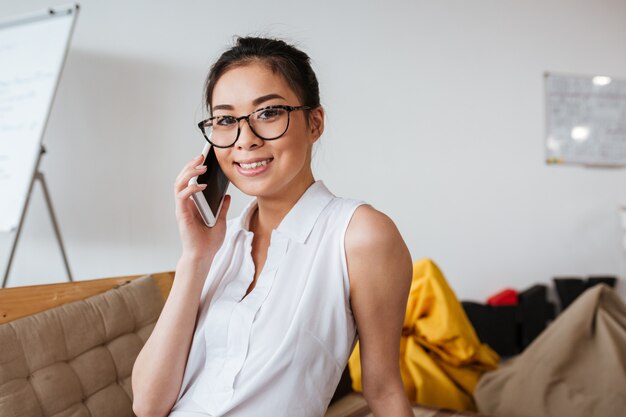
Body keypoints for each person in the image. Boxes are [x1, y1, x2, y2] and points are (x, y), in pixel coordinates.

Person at [131, 36, 414, 417]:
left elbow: (383, 390)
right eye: (226, 120)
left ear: (315, 123)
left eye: (268, 113)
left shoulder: (360, 236)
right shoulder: (219, 242)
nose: (245, 140)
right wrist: (195, 258)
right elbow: (148, 406)